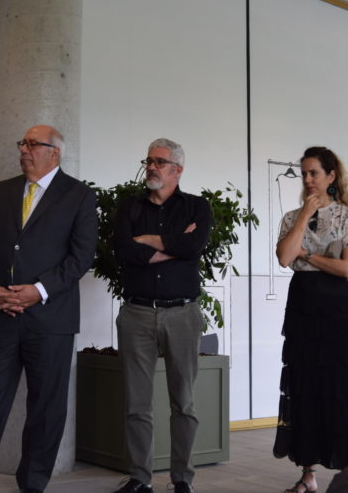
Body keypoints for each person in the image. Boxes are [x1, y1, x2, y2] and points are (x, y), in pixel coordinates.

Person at [0, 125, 97, 493]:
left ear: (54, 153)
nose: (24, 150)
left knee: (46, 410)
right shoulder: (2, 190)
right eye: (23, 143)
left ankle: (32, 485)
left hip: (51, 321)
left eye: (33, 144)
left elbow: (81, 258)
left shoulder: (79, 195)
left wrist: (38, 291)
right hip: (0, 315)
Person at [112, 139, 213, 493]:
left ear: (177, 170)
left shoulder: (197, 207)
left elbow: (194, 247)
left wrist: (148, 240)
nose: (151, 167)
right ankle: (140, 479)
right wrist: (173, 244)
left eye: (159, 161)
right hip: (137, 312)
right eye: (149, 160)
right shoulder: (129, 207)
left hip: (183, 313)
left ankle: (182, 479)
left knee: (183, 402)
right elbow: (124, 251)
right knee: (137, 404)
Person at [274, 146, 348, 493]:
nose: (308, 179)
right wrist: (304, 215)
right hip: (302, 305)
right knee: (304, 385)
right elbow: (285, 258)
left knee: (339, 385)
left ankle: (347, 473)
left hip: (335, 308)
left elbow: (347, 268)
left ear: (331, 176)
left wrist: (307, 255)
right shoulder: (291, 218)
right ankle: (308, 473)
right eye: (304, 174)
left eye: (314, 173)